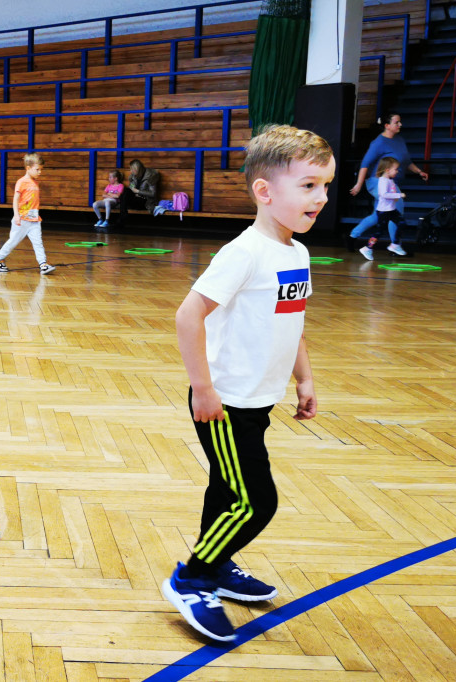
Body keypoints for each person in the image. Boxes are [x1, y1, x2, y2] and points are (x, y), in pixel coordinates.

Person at [162, 125, 332, 643]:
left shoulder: (296, 253)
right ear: (265, 191)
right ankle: (191, 578)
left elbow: (292, 321)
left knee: (226, 490)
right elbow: (187, 316)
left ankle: (217, 564)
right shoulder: (245, 252)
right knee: (255, 500)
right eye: (308, 186)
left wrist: (304, 379)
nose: (321, 197)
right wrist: (204, 389)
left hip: (260, 400)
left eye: (325, 185)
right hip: (224, 403)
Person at [347, 112, 428, 256]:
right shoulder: (379, 143)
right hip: (377, 182)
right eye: (397, 122)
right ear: (387, 126)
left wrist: (419, 171)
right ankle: (395, 246)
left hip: (391, 183)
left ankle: (353, 236)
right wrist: (359, 184)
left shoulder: (400, 140)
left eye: (400, 122)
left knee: (378, 216)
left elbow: (407, 162)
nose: (400, 124)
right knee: (395, 208)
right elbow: (365, 164)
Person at [0, 153, 56, 275]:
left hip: (35, 219)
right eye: (37, 169)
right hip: (22, 219)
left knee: (38, 242)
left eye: (41, 170)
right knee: (13, 241)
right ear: (28, 168)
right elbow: (16, 199)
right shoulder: (22, 182)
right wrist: (16, 215)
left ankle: (43, 264)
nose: (39, 172)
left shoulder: (35, 182)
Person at [359, 157, 408, 261]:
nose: (397, 171)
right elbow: (383, 194)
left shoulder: (390, 181)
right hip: (383, 211)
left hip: (391, 210)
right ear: (387, 170)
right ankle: (367, 248)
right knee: (379, 232)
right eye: (395, 169)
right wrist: (399, 195)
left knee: (402, 223)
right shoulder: (383, 181)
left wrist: (395, 197)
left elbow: (392, 193)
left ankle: (394, 244)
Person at [119, 159, 159, 224]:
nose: (131, 171)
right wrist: (133, 191)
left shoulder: (151, 176)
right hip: (135, 199)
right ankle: (123, 215)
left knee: (125, 196)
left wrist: (138, 191)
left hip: (145, 202)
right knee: (126, 191)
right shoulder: (133, 176)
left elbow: (153, 193)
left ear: (137, 169)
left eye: (132, 169)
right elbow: (131, 188)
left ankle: (122, 217)